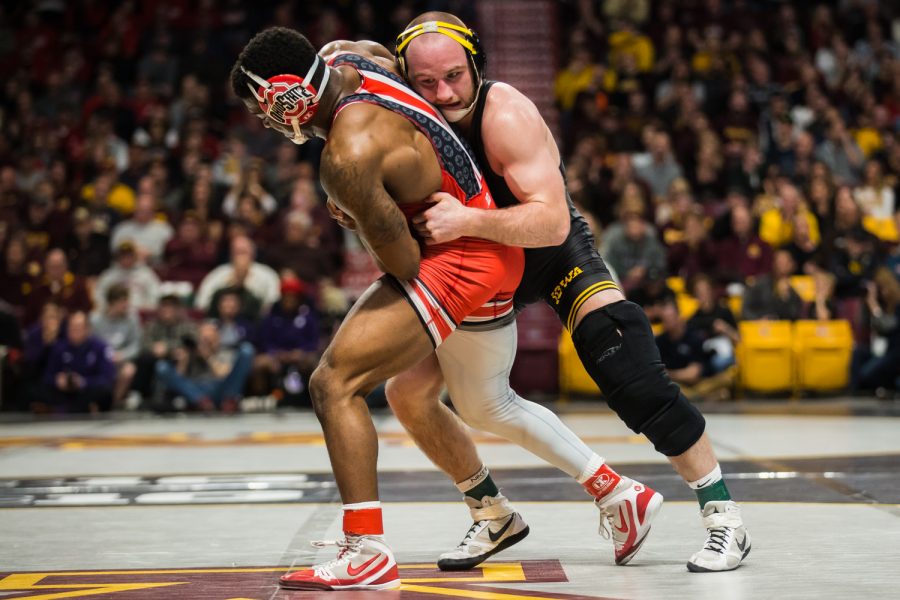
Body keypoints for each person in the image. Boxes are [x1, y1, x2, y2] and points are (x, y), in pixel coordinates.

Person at [392, 12, 750, 573]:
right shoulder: (401, 115)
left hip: (546, 254)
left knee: (628, 367)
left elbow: (551, 225)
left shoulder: (504, 112)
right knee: (407, 394)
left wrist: (465, 221)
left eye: (455, 76)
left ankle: (723, 517)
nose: (443, 93)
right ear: (404, 78)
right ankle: (491, 512)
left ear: (477, 66)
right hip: (478, 263)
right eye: (427, 83)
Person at [230, 27, 523, 590]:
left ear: (288, 96)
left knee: (333, 383)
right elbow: (382, 55)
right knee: (413, 394)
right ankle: (495, 509)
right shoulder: (347, 58)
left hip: (459, 253)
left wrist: (361, 211)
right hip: (474, 221)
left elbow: (405, 266)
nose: (263, 122)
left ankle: (366, 548)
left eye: (261, 108)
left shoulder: (347, 155)